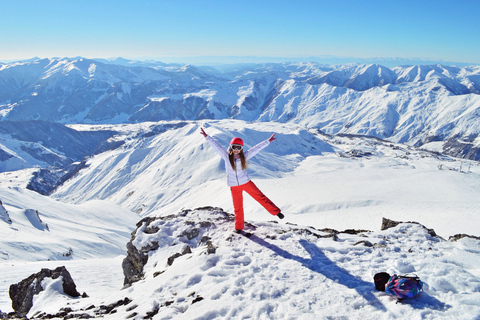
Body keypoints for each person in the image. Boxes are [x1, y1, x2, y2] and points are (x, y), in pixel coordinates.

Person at [200, 127, 284, 232]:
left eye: (238, 148)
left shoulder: (244, 156)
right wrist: (207, 137)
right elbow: (216, 147)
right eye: (234, 147)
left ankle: (276, 212)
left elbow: (256, 149)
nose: (236, 150)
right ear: (230, 147)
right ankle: (239, 227)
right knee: (238, 207)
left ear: (242, 149)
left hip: (246, 183)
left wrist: (267, 141)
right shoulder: (226, 156)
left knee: (261, 197)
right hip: (234, 186)